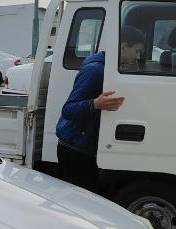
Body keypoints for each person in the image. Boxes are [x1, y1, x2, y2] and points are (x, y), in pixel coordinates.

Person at [55, 26, 145, 192]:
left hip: (85, 148)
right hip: (75, 150)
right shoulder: (95, 70)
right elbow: (68, 110)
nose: (138, 57)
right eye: (137, 51)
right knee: (80, 203)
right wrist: (95, 104)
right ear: (123, 47)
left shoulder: (112, 69)